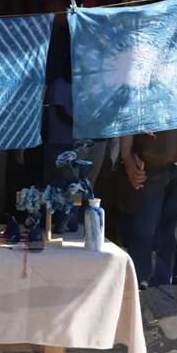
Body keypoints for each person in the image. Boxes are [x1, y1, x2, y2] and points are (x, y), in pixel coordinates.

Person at [119, 112, 177, 353]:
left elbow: (134, 98)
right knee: (163, 240)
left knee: (144, 241)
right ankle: (166, 326)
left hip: (154, 153)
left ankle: (157, 326)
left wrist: (126, 153)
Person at [43, 58, 106, 232]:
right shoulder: (59, 85)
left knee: (83, 185)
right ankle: (60, 223)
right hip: (63, 142)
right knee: (66, 184)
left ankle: (74, 224)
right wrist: (81, 124)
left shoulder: (89, 87)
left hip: (86, 142)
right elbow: (60, 112)